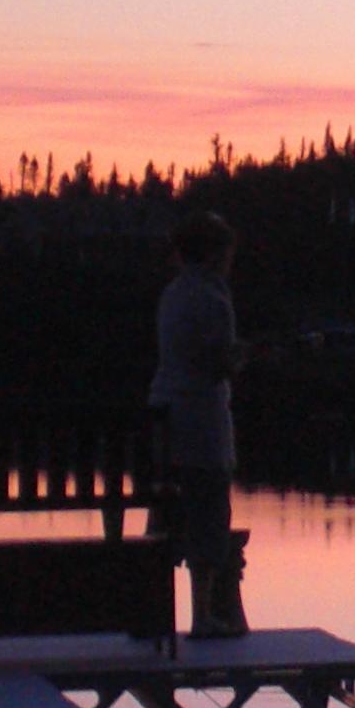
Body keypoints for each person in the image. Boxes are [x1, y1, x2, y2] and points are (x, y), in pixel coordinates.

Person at [152, 212, 248, 638]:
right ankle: (203, 615)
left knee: (167, 515)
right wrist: (244, 356)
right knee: (210, 515)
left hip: (164, 414)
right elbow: (217, 366)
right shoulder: (213, 298)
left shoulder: (172, 294)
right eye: (227, 253)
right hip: (201, 421)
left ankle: (152, 613)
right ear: (214, 254)